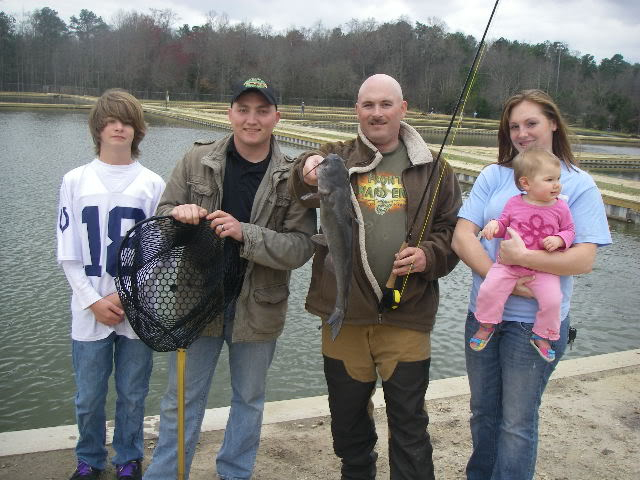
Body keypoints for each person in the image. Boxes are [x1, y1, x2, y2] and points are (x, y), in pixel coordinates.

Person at [289, 73, 462, 479]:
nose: (377, 113)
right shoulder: (337, 155)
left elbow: (454, 231)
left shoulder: (434, 169)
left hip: (407, 314)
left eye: (386, 104)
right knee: (348, 425)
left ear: (403, 109)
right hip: (344, 317)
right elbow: (294, 178)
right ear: (357, 110)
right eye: (368, 105)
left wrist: (427, 256)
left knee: (409, 424)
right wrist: (304, 169)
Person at [142, 77, 315, 480]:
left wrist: (245, 233)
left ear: (276, 117)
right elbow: (163, 214)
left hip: (258, 307)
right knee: (180, 399)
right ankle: (168, 473)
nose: (251, 119)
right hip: (195, 300)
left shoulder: (292, 177)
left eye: (261, 110)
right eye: (243, 109)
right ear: (230, 113)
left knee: (249, 399)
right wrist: (178, 215)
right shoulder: (195, 159)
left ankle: (234, 472)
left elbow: (300, 248)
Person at [451, 89, 612, 480]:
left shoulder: (578, 185)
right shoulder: (494, 175)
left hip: (533, 326)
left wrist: (524, 260)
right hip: (484, 316)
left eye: (531, 123)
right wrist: (499, 278)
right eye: (514, 126)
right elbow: (462, 237)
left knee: (516, 424)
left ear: (553, 123)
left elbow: (583, 258)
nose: (522, 133)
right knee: (482, 412)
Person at [57, 89, 166, 480]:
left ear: (138, 130)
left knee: (133, 395)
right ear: (98, 128)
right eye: (111, 121)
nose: (119, 128)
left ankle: (128, 458)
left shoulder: (152, 184)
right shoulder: (75, 180)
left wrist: (123, 294)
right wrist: (92, 300)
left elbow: (157, 253)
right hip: (88, 311)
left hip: (136, 309)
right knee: (88, 397)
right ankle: (89, 458)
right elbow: (68, 251)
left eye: (127, 121)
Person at [470, 148, 575, 362]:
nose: (557, 185)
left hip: (543, 270)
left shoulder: (560, 208)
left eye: (558, 179)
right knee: (489, 288)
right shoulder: (514, 203)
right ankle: (487, 324)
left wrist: (560, 240)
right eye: (549, 180)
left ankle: (543, 335)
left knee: (553, 299)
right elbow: (503, 224)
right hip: (508, 266)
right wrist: (493, 227)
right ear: (526, 183)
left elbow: (570, 230)